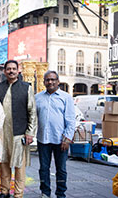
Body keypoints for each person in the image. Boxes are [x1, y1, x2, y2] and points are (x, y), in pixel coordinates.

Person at [0, 60, 37, 198]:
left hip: (19, 133)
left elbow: (32, 112)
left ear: (18, 71)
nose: (11, 71)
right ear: (5, 71)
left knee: (19, 166)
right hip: (2, 133)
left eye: (14, 69)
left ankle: (18, 194)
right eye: (8, 69)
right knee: (4, 163)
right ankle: (4, 190)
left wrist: (30, 132)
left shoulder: (26, 87)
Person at [35, 70, 75, 198]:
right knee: (43, 169)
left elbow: (70, 119)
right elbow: (33, 118)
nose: (50, 82)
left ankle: (60, 193)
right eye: (48, 80)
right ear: (44, 82)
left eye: (53, 79)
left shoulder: (66, 97)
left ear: (58, 81)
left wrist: (67, 139)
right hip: (43, 139)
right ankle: (45, 192)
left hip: (61, 140)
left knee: (61, 169)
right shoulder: (38, 97)